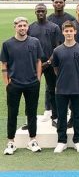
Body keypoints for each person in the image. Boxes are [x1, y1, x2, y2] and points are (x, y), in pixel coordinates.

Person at [1, 17, 44, 155]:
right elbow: (4, 64)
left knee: (32, 113)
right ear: (15, 27)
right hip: (14, 84)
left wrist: (38, 78)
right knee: (12, 113)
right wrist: (7, 83)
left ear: (27, 27)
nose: (22, 28)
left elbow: (38, 61)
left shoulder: (35, 42)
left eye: (25, 25)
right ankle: (11, 142)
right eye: (20, 26)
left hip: (32, 83)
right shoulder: (7, 44)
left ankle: (32, 140)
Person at [52, 21, 79, 153]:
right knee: (62, 116)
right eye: (66, 31)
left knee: (77, 115)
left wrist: (78, 78)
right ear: (63, 32)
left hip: (77, 88)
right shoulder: (57, 50)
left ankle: (78, 140)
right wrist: (64, 78)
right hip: (61, 89)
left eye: (71, 31)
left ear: (75, 31)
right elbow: (56, 68)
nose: (68, 33)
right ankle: (61, 141)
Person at [27, 3, 61, 128]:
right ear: (35, 12)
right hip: (35, 64)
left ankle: (55, 117)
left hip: (51, 64)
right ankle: (30, 120)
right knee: (31, 92)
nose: (40, 13)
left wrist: (49, 62)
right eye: (38, 11)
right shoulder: (30, 28)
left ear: (46, 12)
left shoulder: (54, 27)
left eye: (42, 11)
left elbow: (57, 47)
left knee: (53, 91)